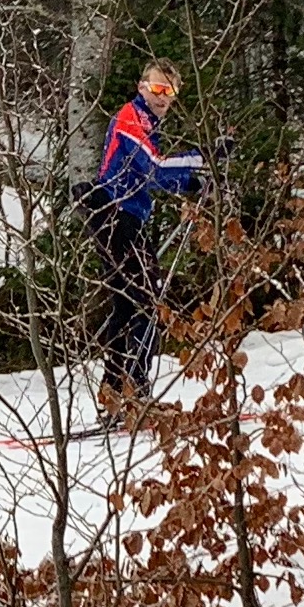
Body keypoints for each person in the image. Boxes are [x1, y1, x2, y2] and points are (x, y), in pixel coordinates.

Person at [85, 60, 204, 411]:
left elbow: (160, 174)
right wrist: (200, 160)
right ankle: (132, 391)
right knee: (143, 303)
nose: (163, 97)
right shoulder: (130, 118)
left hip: (127, 218)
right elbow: (155, 166)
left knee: (129, 305)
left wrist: (197, 182)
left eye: (170, 91)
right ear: (142, 87)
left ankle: (117, 395)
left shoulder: (149, 124)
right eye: (157, 88)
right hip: (115, 215)